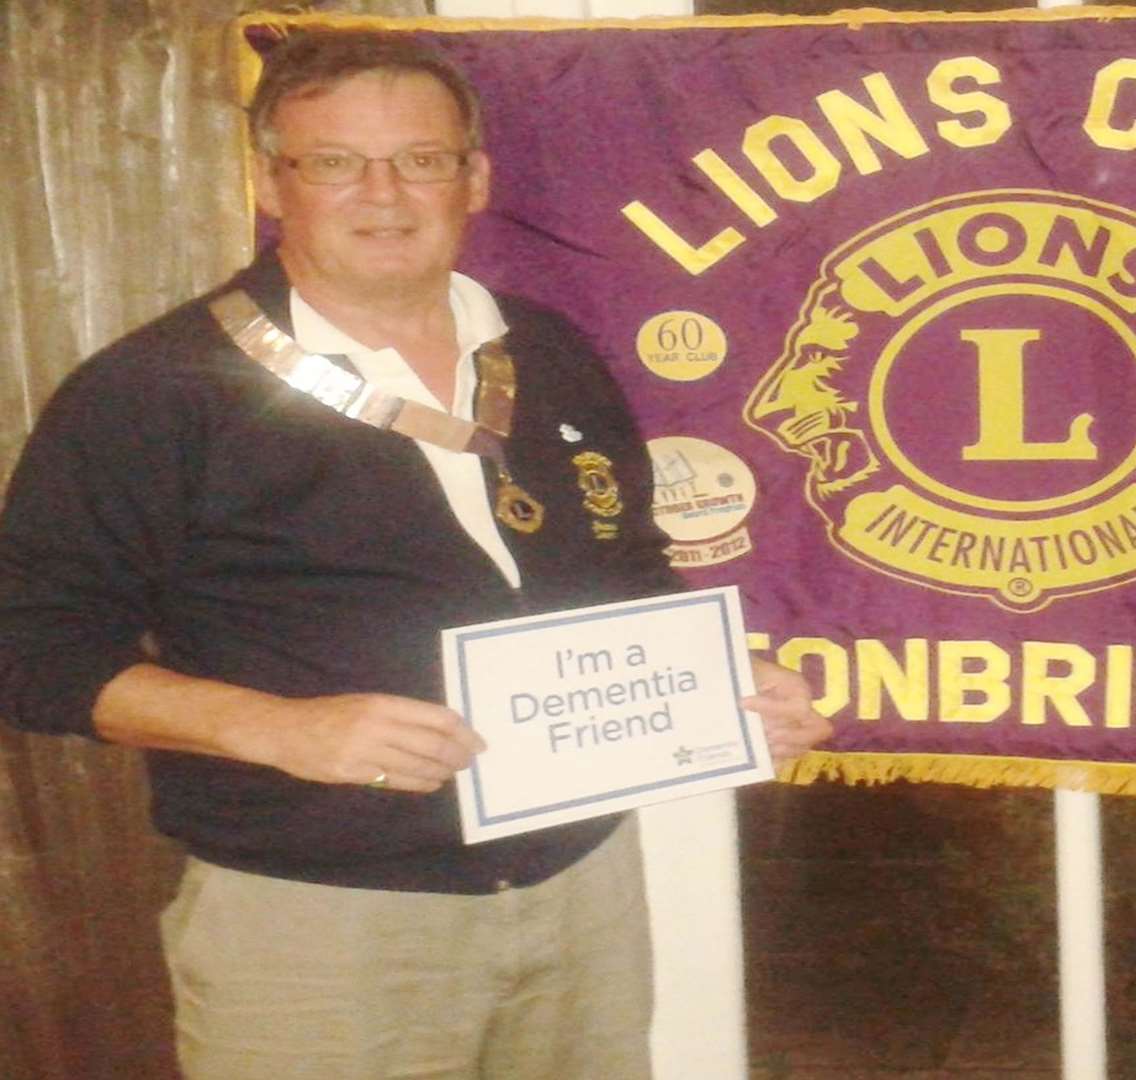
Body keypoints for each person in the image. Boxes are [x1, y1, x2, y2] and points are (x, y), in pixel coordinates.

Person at [0, 30, 831, 1079]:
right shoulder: (157, 390)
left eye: (422, 159)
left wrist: (726, 686)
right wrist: (279, 730)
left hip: (580, 892)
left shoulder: (548, 352)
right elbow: (30, 646)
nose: (383, 193)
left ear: (474, 178)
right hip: (322, 922)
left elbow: (624, 570)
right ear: (271, 181)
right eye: (335, 161)